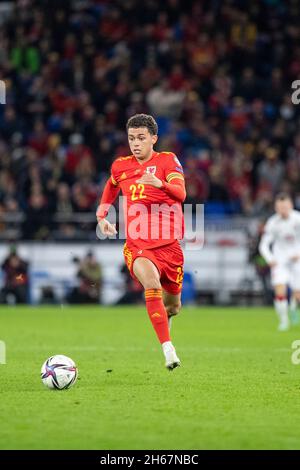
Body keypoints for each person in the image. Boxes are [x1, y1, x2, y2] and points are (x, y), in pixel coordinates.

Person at [96, 114, 186, 370]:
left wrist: (160, 184)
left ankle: (165, 325)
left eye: (141, 138)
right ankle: (168, 350)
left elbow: (181, 194)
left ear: (153, 139)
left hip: (170, 247)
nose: (135, 143)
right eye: (131, 138)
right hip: (138, 245)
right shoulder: (121, 166)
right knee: (151, 283)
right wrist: (102, 214)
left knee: (174, 307)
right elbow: (111, 186)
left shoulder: (167, 161)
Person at [259, 193, 300, 331]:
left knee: (297, 293)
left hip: (297, 260)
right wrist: (270, 259)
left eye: (285, 206)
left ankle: (294, 308)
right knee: (280, 291)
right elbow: (263, 244)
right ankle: (284, 321)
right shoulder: (272, 223)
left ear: (291, 205)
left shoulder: (297, 219)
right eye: (280, 207)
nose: (283, 209)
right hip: (280, 261)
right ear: (276, 208)